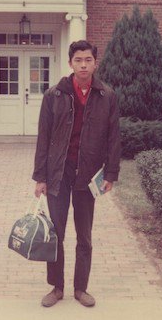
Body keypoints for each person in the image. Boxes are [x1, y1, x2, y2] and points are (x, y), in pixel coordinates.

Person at [32, 40, 121, 307]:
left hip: (87, 176)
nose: (83, 65)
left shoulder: (107, 96)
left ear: (95, 62)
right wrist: (40, 177)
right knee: (55, 233)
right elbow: (43, 137)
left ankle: (80, 288)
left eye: (88, 60)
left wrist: (111, 174)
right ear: (70, 63)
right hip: (58, 173)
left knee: (85, 235)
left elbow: (114, 138)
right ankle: (56, 288)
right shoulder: (54, 96)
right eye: (78, 60)